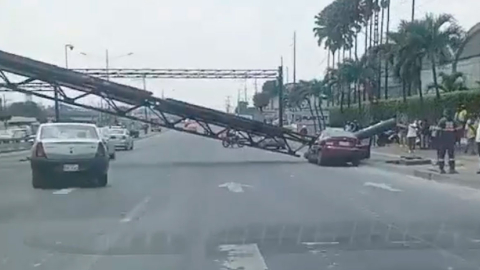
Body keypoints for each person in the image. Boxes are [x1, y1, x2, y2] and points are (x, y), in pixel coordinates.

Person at [437, 109, 460, 174]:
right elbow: (458, 128)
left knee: (442, 155)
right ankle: (452, 169)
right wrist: (453, 130)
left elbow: (438, 129)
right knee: (451, 155)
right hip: (451, 140)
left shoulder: (442, 120)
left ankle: (441, 169)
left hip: (443, 140)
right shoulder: (453, 121)